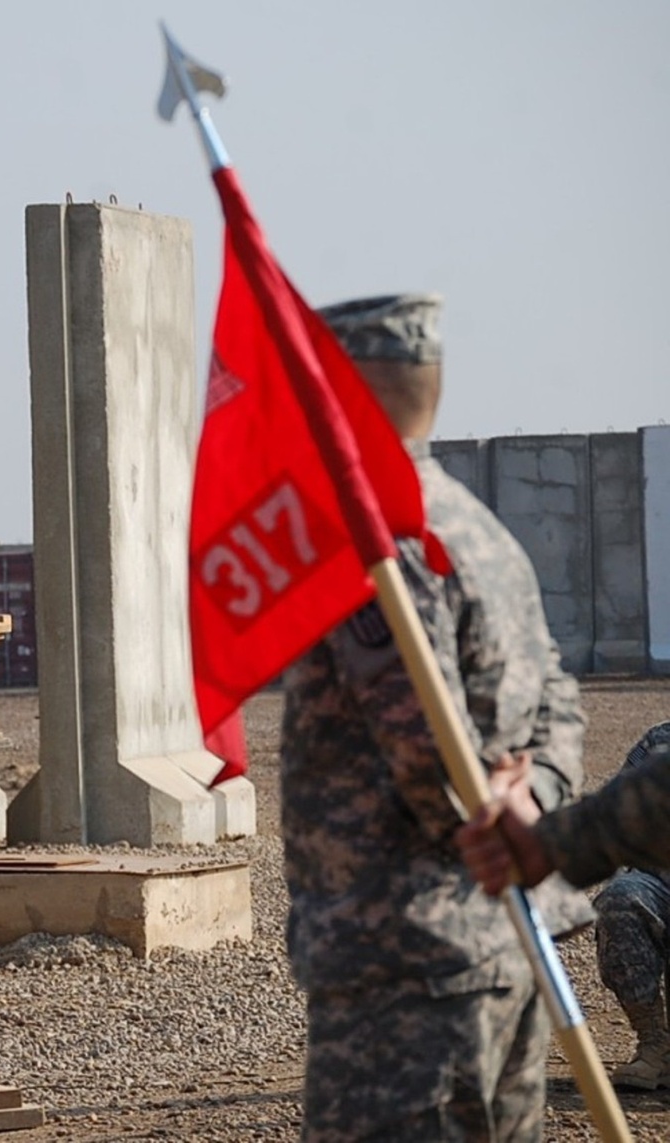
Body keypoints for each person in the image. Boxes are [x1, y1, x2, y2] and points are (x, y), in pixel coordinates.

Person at [281, 293, 593, 1141]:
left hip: (405, 968)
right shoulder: (482, 528)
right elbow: (558, 692)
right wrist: (539, 798)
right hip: (507, 950)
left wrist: (489, 810)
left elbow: (427, 756)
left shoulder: (381, 542)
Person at [458, 722, 670, 1090]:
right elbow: (623, 811)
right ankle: (655, 1046)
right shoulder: (659, 740)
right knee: (621, 899)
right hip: (659, 882)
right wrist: (551, 844)